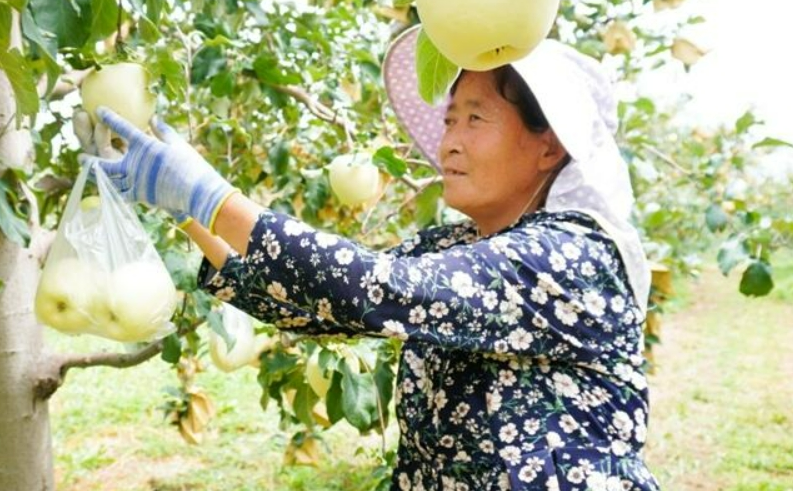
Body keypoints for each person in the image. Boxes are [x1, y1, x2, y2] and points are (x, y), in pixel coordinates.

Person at [83, 26, 660, 491]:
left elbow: (375, 288)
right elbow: (322, 305)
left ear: (548, 146)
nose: (450, 141)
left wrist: (211, 197)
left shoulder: (573, 256)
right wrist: (186, 210)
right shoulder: (456, 245)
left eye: (476, 118)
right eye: (450, 119)